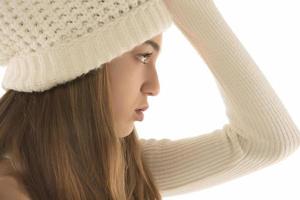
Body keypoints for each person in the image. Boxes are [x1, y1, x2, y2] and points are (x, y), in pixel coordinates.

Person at [0, 0, 299, 199]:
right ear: (82, 62)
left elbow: (270, 141)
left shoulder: (110, 167)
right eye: (143, 55)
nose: (154, 86)